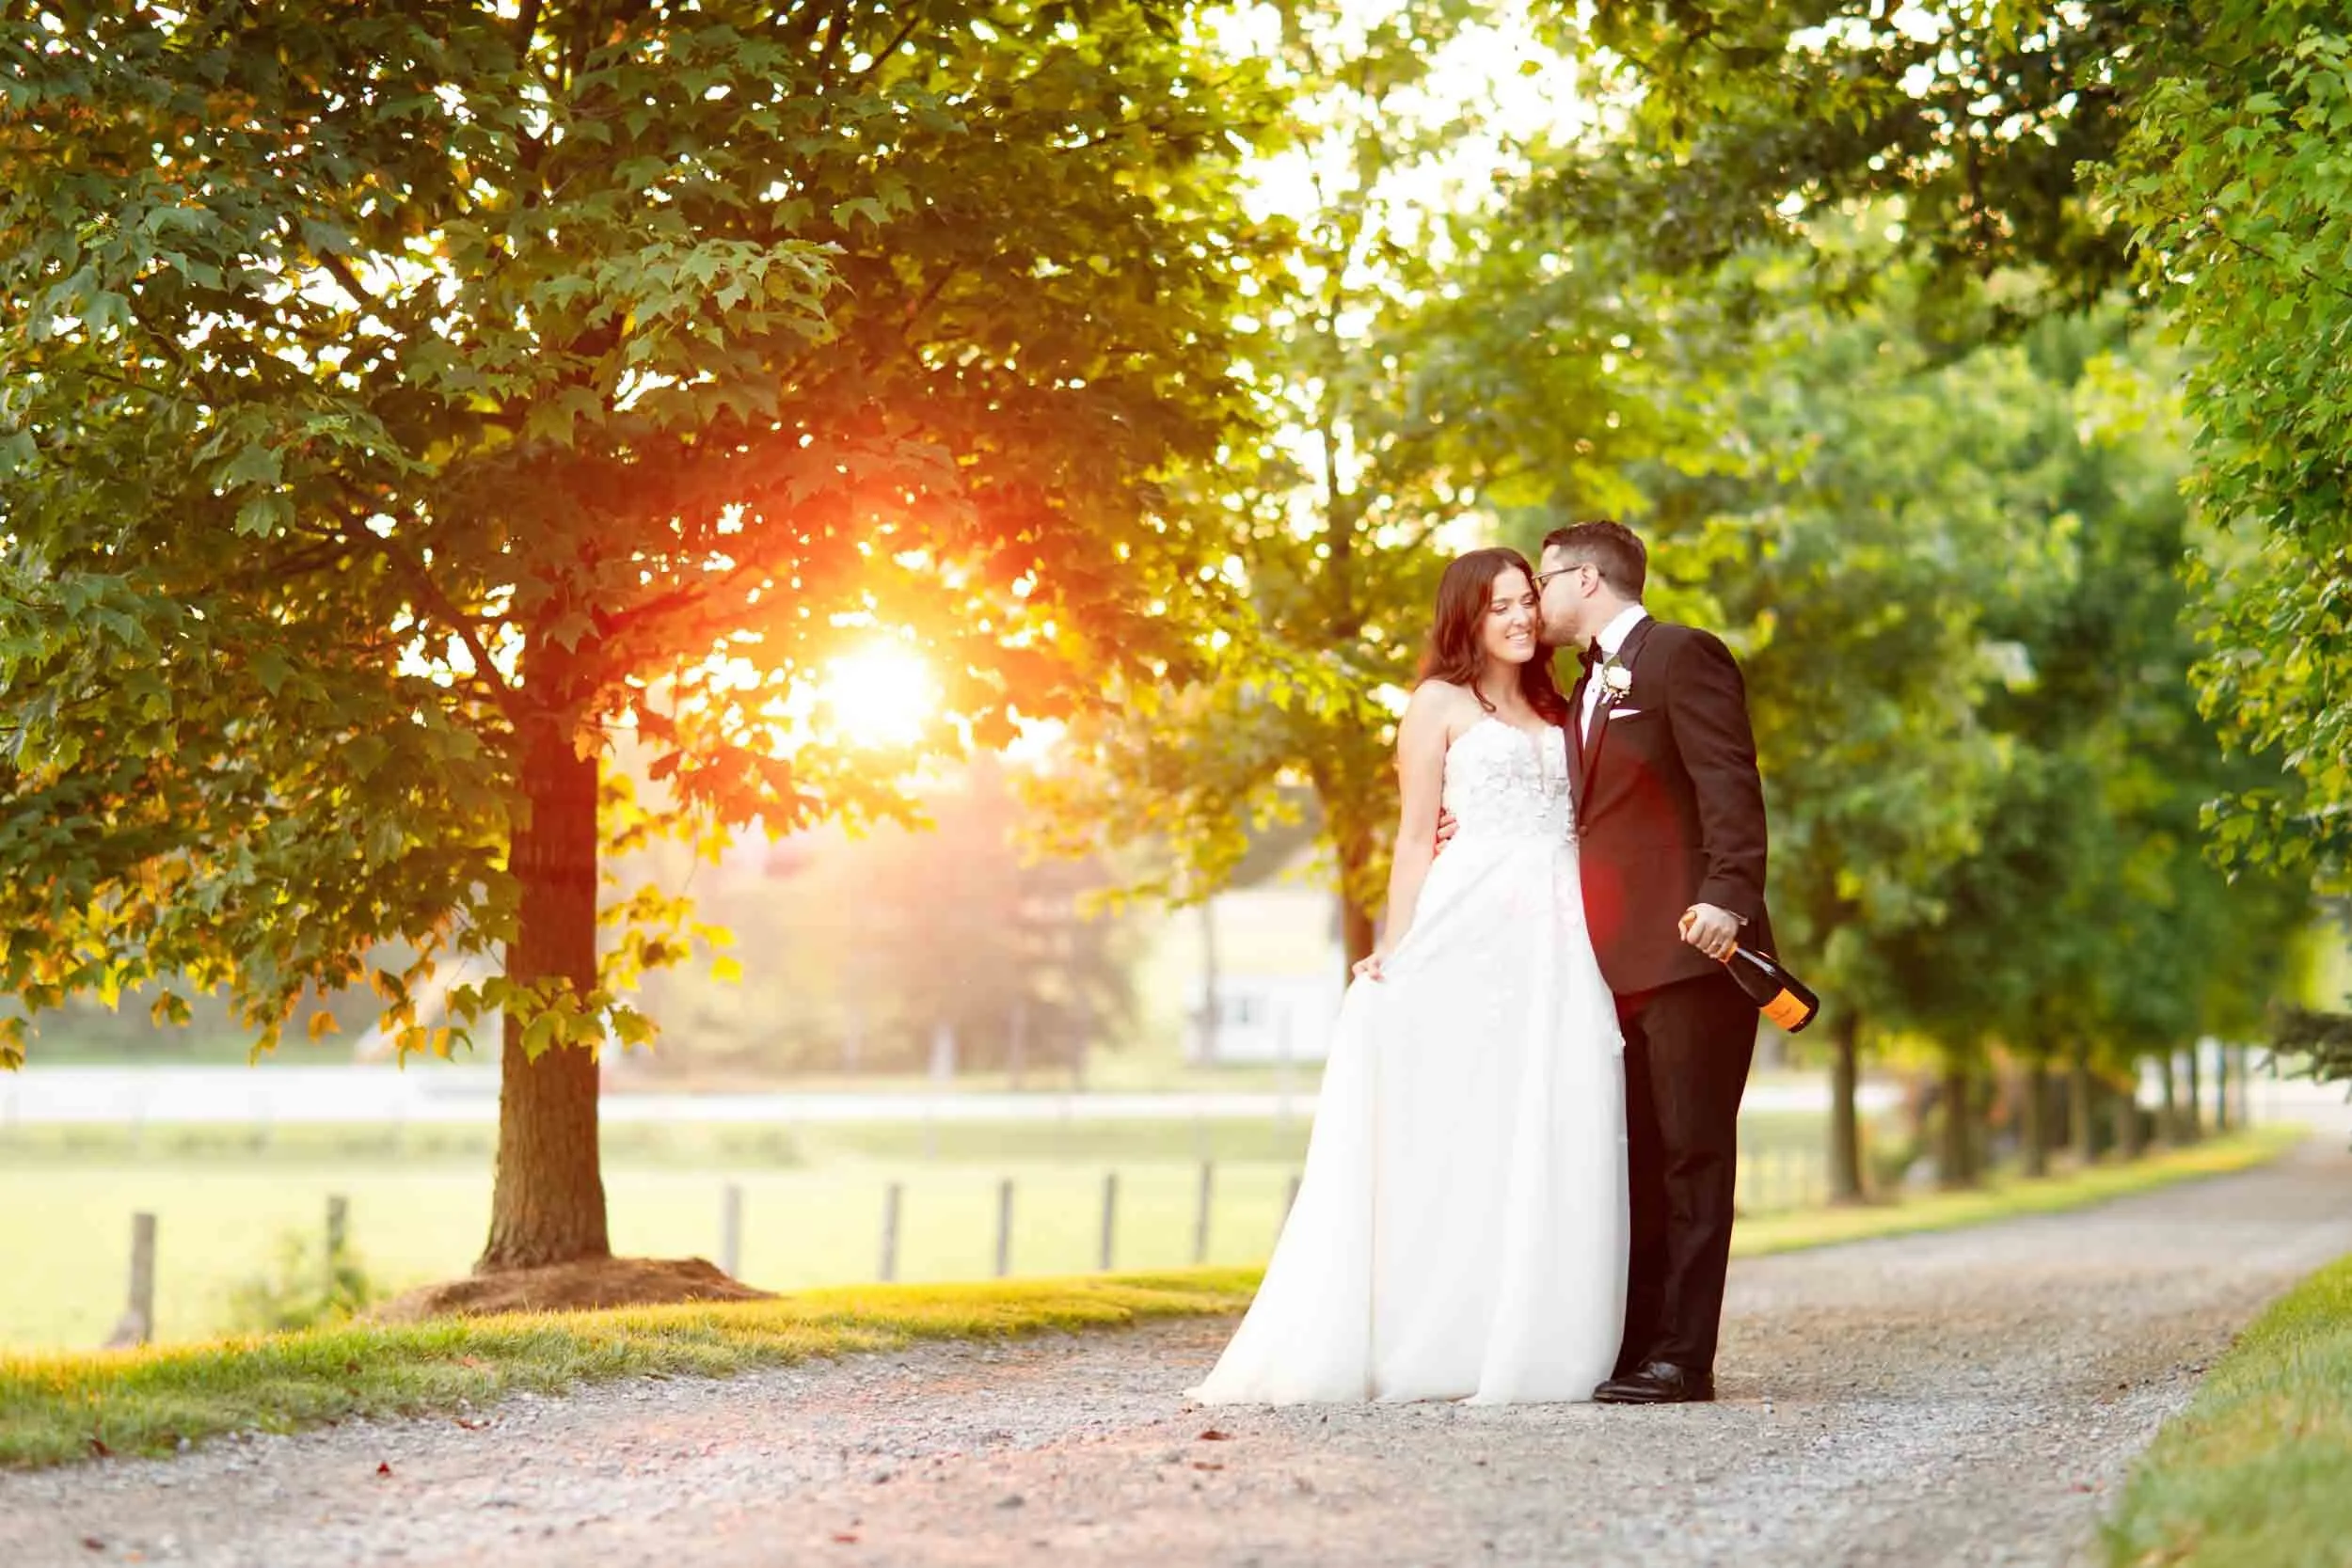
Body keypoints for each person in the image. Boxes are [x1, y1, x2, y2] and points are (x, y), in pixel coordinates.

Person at [1190, 547, 1627, 1405]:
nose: (1520, 618)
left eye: (1527, 602)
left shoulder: (1562, 700)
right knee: (1464, 1116)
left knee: (1550, 1111)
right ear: (1466, 614)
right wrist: (1400, 942)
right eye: (1500, 605)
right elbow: (1416, 832)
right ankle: (1441, 1329)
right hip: (1475, 919)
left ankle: (1541, 1329)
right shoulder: (1436, 704)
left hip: (1565, 925)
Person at [1527, 518, 1773, 1405]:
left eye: (1544, 577)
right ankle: (1637, 1346)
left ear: (1586, 580)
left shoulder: (1682, 657)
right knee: (1634, 1160)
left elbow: (1730, 788)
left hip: (1693, 956)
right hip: (1609, 968)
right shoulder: (1582, 686)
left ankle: (1684, 1358)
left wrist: (1728, 897)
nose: (1536, 595)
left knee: (1692, 1155)